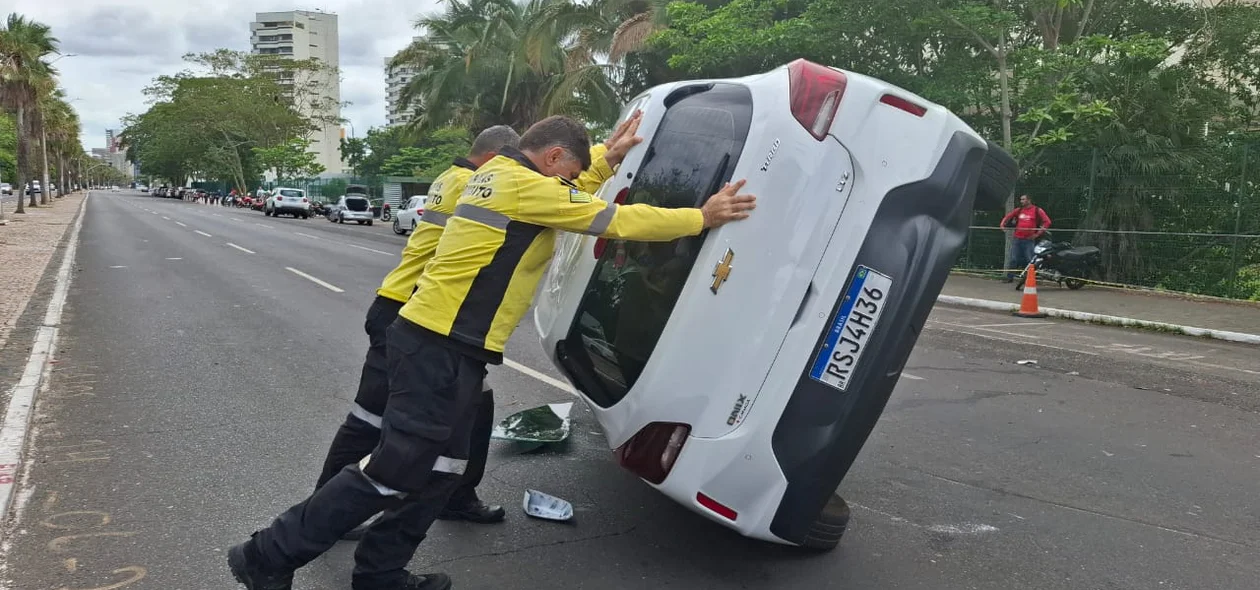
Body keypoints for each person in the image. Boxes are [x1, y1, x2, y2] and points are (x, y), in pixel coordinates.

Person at [227, 113, 757, 590]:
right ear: (551, 159)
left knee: (444, 468)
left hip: (448, 344)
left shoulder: (497, 176)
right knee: (395, 468)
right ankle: (266, 554)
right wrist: (702, 217)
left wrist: (601, 159)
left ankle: (380, 572)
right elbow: (609, 219)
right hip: (437, 344)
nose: (570, 184)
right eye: (568, 172)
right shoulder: (523, 186)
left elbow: (565, 198)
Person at [314, 125, 524, 539]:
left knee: (470, 407)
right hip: (412, 312)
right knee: (372, 420)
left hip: (404, 305)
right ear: (496, 157)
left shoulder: (451, 177)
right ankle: (328, 514)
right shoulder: (478, 184)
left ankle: (456, 497)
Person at [1000, 194, 1051, 281]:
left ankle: (1030, 278)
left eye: (1023, 199)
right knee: (1013, 259)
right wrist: (1002, 224)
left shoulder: (1037, 210)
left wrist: (1037, 234)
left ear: (1029, 200)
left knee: (1030, 260)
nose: (1021, 201)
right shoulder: (1019, 210)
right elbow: (1008, 216)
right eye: (1021, 199)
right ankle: (1009, 277)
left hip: (1029, 240)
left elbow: (1047, 222)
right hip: (1017, 238)